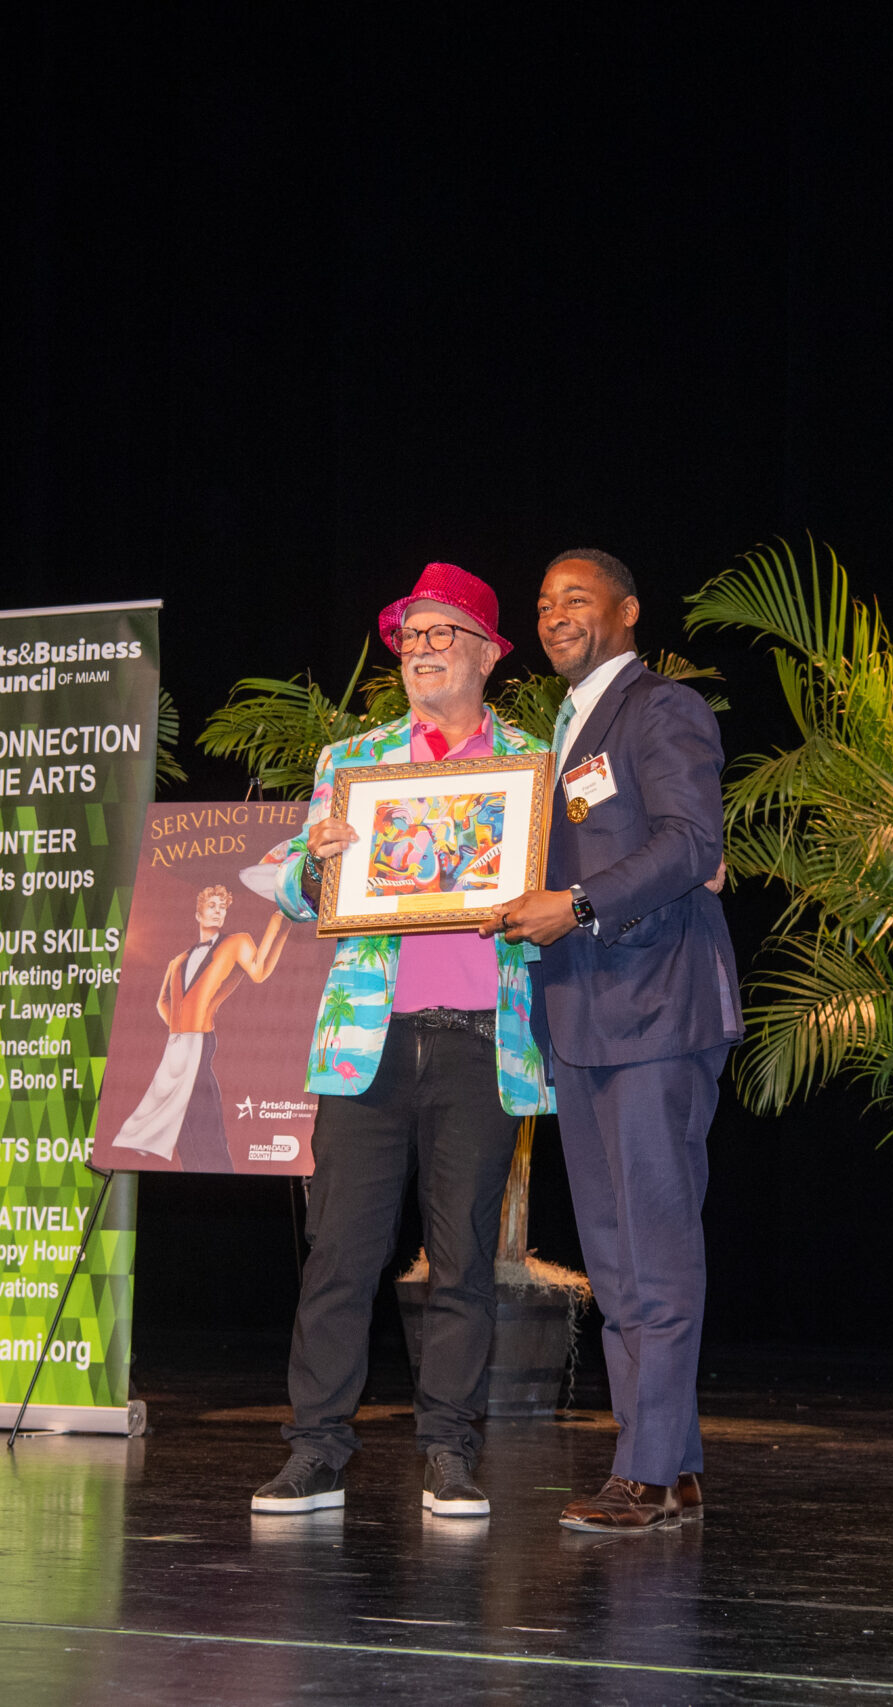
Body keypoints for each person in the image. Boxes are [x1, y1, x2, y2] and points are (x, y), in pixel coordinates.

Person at [247, 563, 554, 1522]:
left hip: (481, 1043)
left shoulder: (532, 766)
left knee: (462, 1260)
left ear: (487, 654)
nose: (420, 650)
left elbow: (562, 893)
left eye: (440, 633)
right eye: (410, 636)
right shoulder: (355, 762)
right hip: (366, 1045)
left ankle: (449, 1454)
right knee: (339, 1253)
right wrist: (316, 865)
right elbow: (289, 887)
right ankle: (315, 1451)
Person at [488, 548, 740, 1534]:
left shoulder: (660, 709)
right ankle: (669, 1462)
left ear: (627, 611)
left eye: (576, 598)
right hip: (584, 1019)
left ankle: (646, 1470)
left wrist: (580, 903)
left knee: (655, 1247)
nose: (555, 614)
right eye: (543, 601)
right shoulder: (558, 734)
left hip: (656, 1010)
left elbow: (691, 842)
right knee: (615, 1253)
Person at [105, 884, 288, 1172]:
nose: (218, 911)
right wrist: (180, 1028)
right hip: (177, 1045)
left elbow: (259, 971)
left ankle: (222, 1180)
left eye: (222, 907)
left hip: (200, 1041)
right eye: (212, 905)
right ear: (197, 913)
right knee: (182, 1127)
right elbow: (162, 1002)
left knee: (206, 1126)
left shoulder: (236, 942)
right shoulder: (177, 960)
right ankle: (193, 1181)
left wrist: (279, 921)